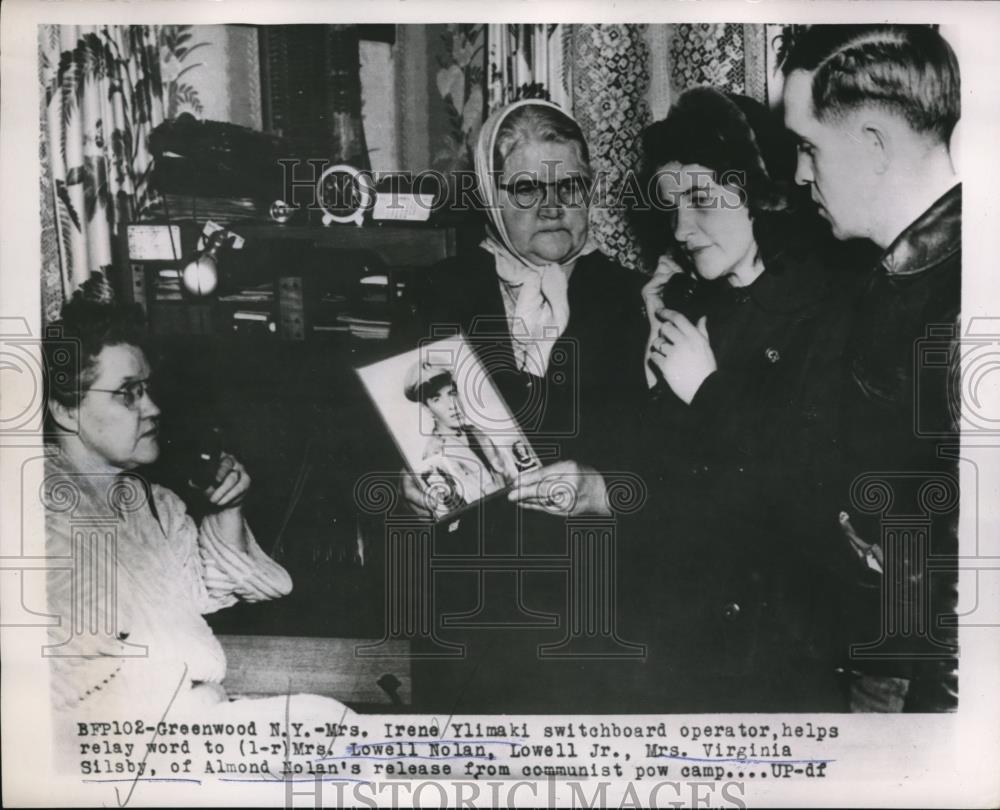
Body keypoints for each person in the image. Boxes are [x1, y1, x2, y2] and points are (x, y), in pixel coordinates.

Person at [512, 86, 871, 710]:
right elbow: (675, 491)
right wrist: (600, 482)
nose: (680, 227)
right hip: (679, 651)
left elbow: (808, 505)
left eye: (702, 199)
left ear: (763, 193)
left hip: (779, 663)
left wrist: (706, 390)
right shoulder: (691, 308)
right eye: (672, 205)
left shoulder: (831, 311)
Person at [781, 24, 961, 712]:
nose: (800, 175)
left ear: (873, 146)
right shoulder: (897, 277)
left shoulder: (957, 301)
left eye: (808, 148)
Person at [42, 273, 293, 715]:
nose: (152, 407)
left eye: (148, 389)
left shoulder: (156, 505)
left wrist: (228, 509)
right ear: (65, 410)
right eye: (128, 394)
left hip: (196, 712)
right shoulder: (31, 512)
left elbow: (213, 591)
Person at [405, 99, 648, 477]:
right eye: (526, 189)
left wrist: (605, 490)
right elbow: (400, 429)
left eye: (569, 186)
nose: (552, 207)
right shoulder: (442, 290)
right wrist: (408, 480)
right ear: (491, 197)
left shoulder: (635, 297)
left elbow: (664, 461)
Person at [403, 361, 515, 514]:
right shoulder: (434, 454)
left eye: (452, 394)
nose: (452, 405)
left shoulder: (477, 433)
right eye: (437, 399)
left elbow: (508, 475)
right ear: (427, 409)